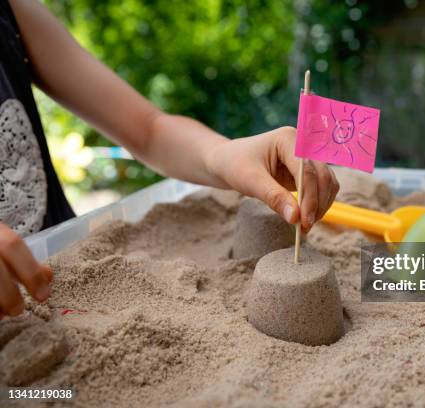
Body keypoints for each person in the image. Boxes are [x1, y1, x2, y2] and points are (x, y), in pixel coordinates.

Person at [0, 0, 339, 320]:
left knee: (386, 275)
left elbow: (149, 130)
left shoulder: (13, 10)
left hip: (66, 290)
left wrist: (221, 154)